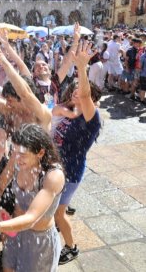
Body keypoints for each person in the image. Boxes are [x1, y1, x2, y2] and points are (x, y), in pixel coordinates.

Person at [0, 124, 65, 272]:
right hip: (13, 233)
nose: (17, 158)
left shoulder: (53, 176)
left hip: (38, 242)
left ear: (40, 152)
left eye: (23, 154)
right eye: (14, 151)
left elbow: (31, 218)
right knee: (7, 268)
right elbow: (0, 187)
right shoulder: (17, 160)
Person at [53, 41, 102, 265]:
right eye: (73, 91)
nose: (75, 93)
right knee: (55, 211)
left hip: (71, 172)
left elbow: (84, 95)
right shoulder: (71, 112)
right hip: (58, 169)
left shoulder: (91, 120)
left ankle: (71, 247)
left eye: (79, 92)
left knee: (59, 214)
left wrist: (82, 67)